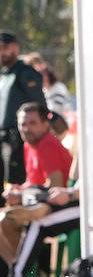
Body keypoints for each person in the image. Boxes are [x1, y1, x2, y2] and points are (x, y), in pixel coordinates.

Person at [0, 103, 75, 277]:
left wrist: (22, 196)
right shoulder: (29, 145)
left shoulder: (47, 144)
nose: (27, 128)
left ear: (45, 124)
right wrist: (17, 189)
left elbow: (55, 187)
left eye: (32, 123)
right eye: (23, 124)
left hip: (61, 205)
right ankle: (19, 274)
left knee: (12, 220)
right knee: (4, 221)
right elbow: (33, 182)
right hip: (39, 204)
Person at [0, 32, 47, 187]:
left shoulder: (25, 72)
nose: (2, 52)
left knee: (14, 183)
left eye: (5, 47)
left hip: (18, 140)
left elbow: (39, 104)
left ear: (16, 49)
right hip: (5, 139)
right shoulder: (6, 74)